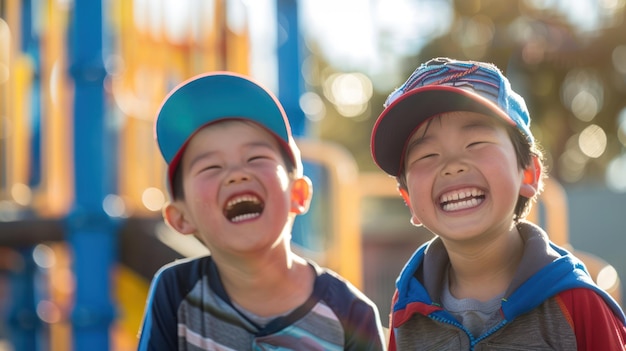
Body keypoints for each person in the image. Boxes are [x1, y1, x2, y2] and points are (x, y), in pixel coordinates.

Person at [370, 57, 626, 350]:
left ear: (528, 173)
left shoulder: (577, 302)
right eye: (427, 155)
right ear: (408, 200)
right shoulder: (407, 306)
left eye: (475, 144)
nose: (453, 166)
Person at [138, 72, 386, 350]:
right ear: (181, 218)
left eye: (256, 158)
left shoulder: (349, 313)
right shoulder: (175, 291)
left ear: (298, 194)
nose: (237, 174)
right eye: (211, 167)